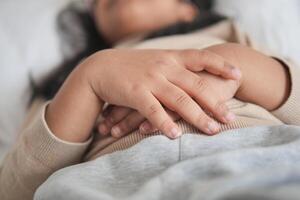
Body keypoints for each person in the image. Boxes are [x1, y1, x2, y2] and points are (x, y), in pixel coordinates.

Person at [1, 0, 300, 200]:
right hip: (104, 184)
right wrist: (89, 78)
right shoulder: (64, 84)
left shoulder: (229, 35)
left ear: (188, 8)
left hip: (254, 154)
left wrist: (235, 66)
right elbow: (14, 190)